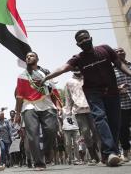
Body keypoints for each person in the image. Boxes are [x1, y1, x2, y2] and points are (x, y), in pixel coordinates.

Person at [39, 30, 131, 166]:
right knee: (100, 118)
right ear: (78, 44)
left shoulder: (105, 49)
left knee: (114, 123)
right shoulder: (78, 58)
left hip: (112, 90)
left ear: (91, 38)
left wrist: (130, 73)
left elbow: (119, 64)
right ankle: (112, 152)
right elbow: (63, 68)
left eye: (85, 38)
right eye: (80, 41)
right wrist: (46, 77)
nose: (84, 41)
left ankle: (108, 154)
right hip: (93, 92)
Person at [14, 51, 60, 170]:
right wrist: (17, 113)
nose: (29, 57)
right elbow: (19, 97)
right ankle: (39, 162)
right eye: (27, 56)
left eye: (31, 56)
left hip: (47, 105)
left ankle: (46, 151)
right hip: (29, 106)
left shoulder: (45, 73)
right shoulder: (22, 76)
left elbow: (53, 91)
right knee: (32, 134)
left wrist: (59, 105)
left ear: (37, 59)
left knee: (51, 130)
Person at [64, 68, 100, 165]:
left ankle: (100, 152)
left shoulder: (88, 78)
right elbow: (68, 97)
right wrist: (68, 112)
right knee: (85, 132)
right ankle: (93, 156)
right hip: (78, 110)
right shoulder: (69, 82)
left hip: (92, 108)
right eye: (74, 67)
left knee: (96, 131)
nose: (77, 69)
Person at [114, 47, 131, 162]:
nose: (120, 52)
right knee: (123, 129)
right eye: (117, 51)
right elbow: (108, 86)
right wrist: (118, 88)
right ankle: (126, 151)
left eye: (121, 50)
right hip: (121, 104)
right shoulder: (111, 70)